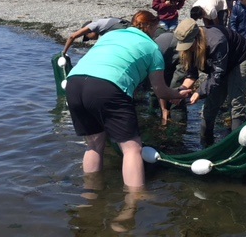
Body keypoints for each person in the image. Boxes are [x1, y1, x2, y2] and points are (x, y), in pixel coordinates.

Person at [65, 10, 191, 188]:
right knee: (132, 149)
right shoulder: (152, 48)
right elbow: (160, 91)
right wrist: (178, 94)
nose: (156, 32)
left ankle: (91, 197)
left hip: (74, 82)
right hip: (107, 86)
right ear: (149, 27)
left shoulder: (113, 34)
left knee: (94, 145)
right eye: (156, 28)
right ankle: (133, 204)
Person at [174, 18, 246, 145]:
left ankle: (237, 146)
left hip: (239, 60)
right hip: (219, 67)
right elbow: (191, 75)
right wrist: (182, 90)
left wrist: (199, 93)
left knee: (235, 103)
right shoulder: (187, 48)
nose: (186, 49)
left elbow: (217, 75)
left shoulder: (216, 41)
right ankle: (205, 143)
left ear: (196, 39)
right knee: (210, 106)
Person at [62, 17, 130, 56]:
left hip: (123, 27)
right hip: (125, 26)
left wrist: (64, 52)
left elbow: (72, 37)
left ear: (89, 32)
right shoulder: (102, 28)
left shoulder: (93, 25)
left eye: (88, 38)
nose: (90, 39)